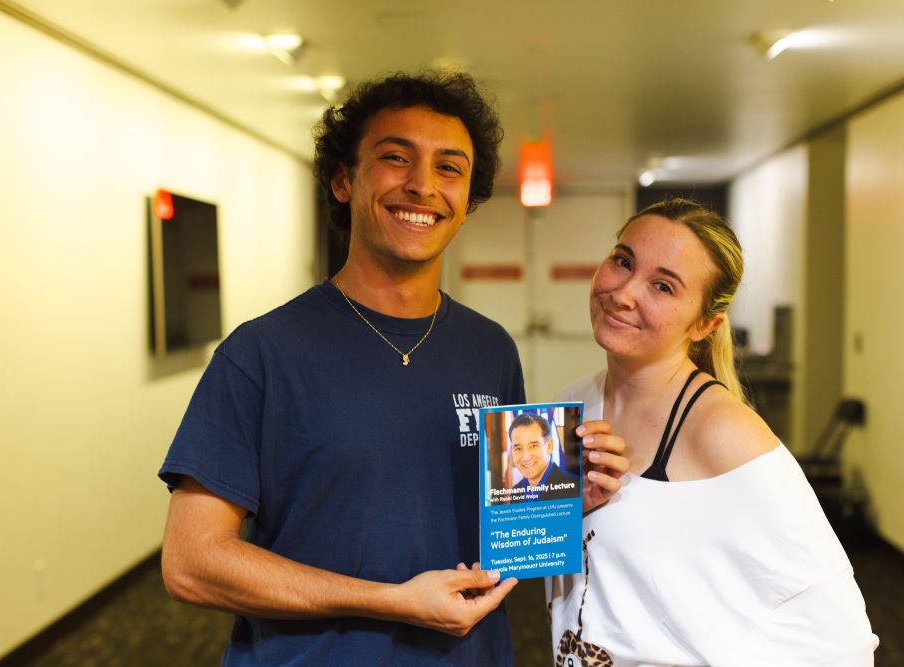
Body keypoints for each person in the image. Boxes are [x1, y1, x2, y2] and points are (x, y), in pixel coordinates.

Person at [158, 71, 628, 666]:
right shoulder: (261, 354)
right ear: (342, 180)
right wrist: (391, 602)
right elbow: (191, 563)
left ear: (466, 204)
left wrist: (560, 502)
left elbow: (493, 531)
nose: (422, 185)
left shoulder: (489, 350)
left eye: (449, 168)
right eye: (395, 157)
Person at [548, 199, 878, 666]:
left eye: (663, 286)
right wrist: (568, 511)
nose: (624, 293)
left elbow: (844, 640)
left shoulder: (721, 430)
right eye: (623, 261)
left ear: (705, 324)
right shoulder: (572, 405)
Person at [508, 413, 579, 501]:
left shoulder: (575, 490)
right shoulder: (516, 492)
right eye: (518, 448)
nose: (526, 457)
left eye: (533, 446)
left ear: (549, 446)